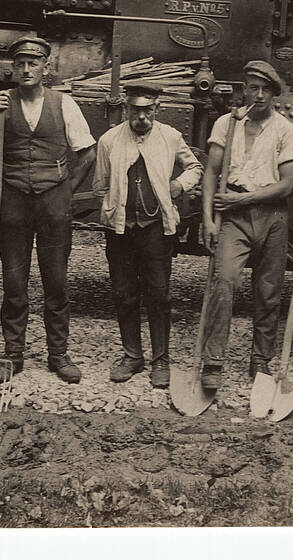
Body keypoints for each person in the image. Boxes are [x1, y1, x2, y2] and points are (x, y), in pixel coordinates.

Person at [0, 35, 96, 383]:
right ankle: (14, 353)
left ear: (46, 67)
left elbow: (87, 152)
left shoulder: (63, 104)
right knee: (14, 280)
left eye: (34, 63)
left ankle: (58, 354)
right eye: (20, 63)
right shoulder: (0, 103)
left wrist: (68, 191)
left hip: (53, 201)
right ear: (13, 68)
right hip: (12, 198)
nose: (27, 69)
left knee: (56, 280)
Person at [93, 81, 203, 389]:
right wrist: (113, 205)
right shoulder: (110, 140)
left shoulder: (170, 137)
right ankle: (132, 355)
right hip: (120, 230)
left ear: (157, 109)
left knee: (159, 295)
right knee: (123, 293)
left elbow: (195, 167)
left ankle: (161, 360)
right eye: (136, 110)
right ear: (127, 109)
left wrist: (179, 185)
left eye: (148, 110)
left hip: (156, 230)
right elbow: (101, 182)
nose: (141, 117)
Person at [200, 61, 293, 391]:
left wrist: (240, 201)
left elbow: (286, 185)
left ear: (273, 94)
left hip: (271, 216)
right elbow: (211, 174)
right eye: (251, 88)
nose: (257, 95)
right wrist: (209, 220)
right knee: (224, 281)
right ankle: (213, 361)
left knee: (268, 291)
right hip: (233, 219)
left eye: (264, 89)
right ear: (244, 90)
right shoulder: (226, 124)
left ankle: (260, 361)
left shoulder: (284, 129)